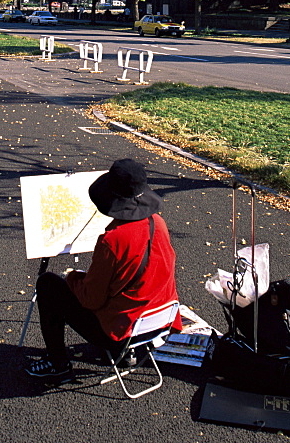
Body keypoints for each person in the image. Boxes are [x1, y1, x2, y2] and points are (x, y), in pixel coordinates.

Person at [24, 158, 181, 384]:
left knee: (48, 284)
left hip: (122, 329)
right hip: (159, 321)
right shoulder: (158, 222)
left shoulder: (113, 240)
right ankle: (127, 353)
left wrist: (72, 278)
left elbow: (91, 299)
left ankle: (57, 363)